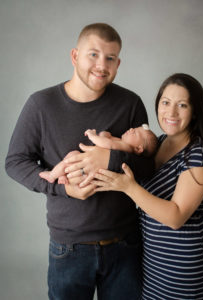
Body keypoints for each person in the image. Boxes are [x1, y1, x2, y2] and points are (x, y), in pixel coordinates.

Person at [5, 23, 154, 300]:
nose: (101, 65)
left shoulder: (130, 103)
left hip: (125, 242)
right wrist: (63, 189)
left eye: (110, 58)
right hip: (69, 247)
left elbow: (149, 167)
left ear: (118, 63)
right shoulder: (41, 104)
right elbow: (15, 161)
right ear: (75, 56)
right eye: (93, 54)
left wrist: (109, 157)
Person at [93, 73, 203, 300]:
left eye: (182, 105)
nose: (170, 113)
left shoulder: (199, 153)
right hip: (153, 260)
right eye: (165, 103)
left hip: (185, 264)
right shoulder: (158, 143)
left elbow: (176, 217)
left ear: (194, 112)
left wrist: (129, 187)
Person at [39, 124, 157, 184]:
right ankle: (62, 175)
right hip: (89, 164)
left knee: (72, 157)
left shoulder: (126, 147)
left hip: (91, 169)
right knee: (71, 156)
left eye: (135, 133)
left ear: (138, 149)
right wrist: (104, 135)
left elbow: (107, 144)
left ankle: (52, 175)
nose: (131, 129)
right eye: (133, 128)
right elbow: (106, 137)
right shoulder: (120, 141)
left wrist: (92, 135)